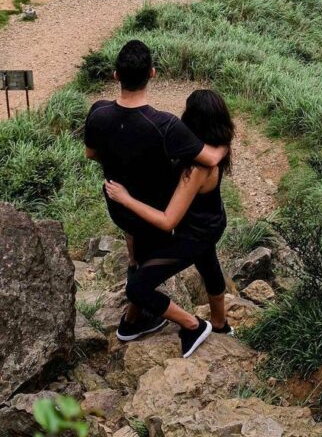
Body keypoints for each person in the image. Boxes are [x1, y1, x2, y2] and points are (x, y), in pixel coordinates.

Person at [83, 40, 229, 346]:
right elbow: (210, 159)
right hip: (156, 214)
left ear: (115, 75)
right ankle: (211, 325)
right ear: (152, 73)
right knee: (198, 259)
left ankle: (136, 321)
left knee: (146, 271)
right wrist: (224, 141)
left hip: (127, 213)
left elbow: (90, 154)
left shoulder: (97, 113)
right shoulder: (166, 126)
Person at [105, 88, 235, 358]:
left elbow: (167, 221)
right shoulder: (216, 146)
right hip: (212, 223)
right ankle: (220, 325)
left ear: (192, 119)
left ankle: (193, 325)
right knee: (208, 263)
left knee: (137, 287)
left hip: (194, 234)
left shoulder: (197, 168)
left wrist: (125, 198)